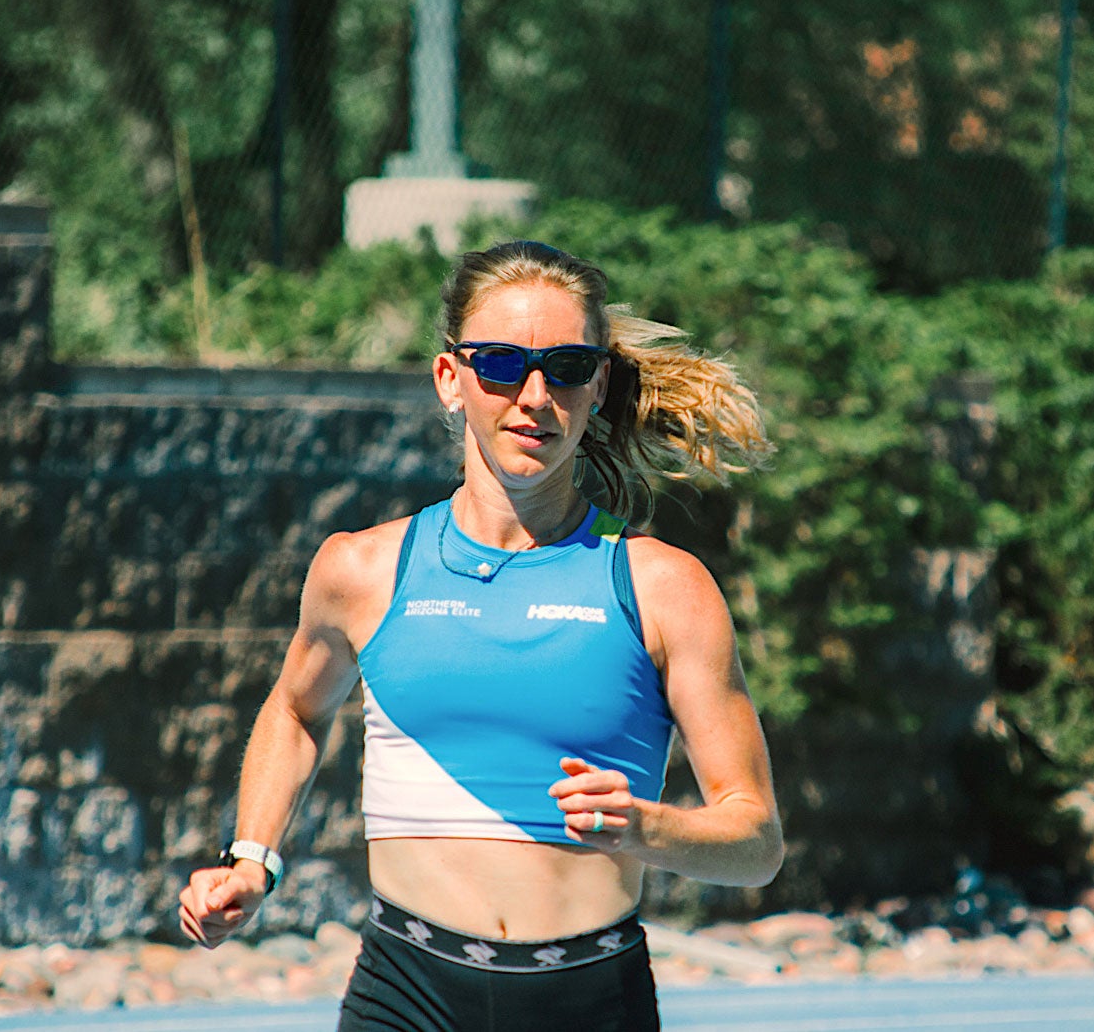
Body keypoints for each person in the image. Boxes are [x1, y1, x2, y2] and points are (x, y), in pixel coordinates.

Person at [177, 240, 784, 1031]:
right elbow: (296, 712)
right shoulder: (362, 570)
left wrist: (647, 826)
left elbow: (756, 842)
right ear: (450, 379)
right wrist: (250, 859)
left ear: (598, 385)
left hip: (590, 1000)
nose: (535, 396)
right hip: (406, 995)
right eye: (500, 364)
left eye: (566, 367)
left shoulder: (663, 587)